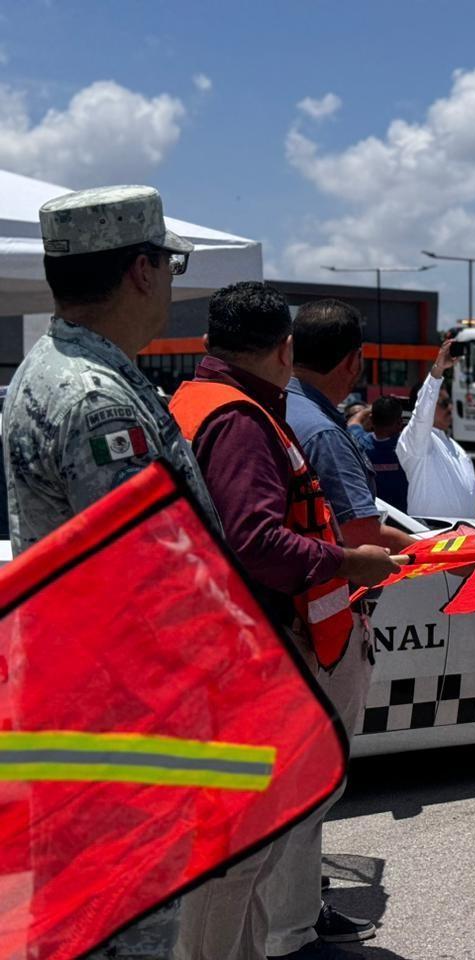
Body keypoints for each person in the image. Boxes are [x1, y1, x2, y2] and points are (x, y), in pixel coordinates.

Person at [3, 184, 211, 960]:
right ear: (141, 272)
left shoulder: (57, 367)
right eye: (171, 264)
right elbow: (147, 584)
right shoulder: (99, 403)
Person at [169, 281, 401, 960]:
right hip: (248, 651)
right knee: (238, 857)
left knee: (235, 855)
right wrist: (348, 563)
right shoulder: (240, 419)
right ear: (283, 348)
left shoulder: (197, 401)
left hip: (218, 644)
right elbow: (255, 541)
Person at [273, 298, 419, 954]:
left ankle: (286, 913)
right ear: (354, 361)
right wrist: (425, 549)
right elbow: (361, 535)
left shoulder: (265, 408)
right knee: (313, 781)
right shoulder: (326, 432)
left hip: (272, 624)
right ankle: (296, 929)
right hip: (322, 629)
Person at [398, 339, 475, 518]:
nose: (450, 408)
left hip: (460, 539)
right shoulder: (416, 442)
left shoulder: (455, 448)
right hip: (430, 535)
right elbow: (422, 413)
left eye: (450, 402)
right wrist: (438, 369)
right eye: (443, 403)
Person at [357, 395, 410, 513]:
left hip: (372, 516)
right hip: (406, 520)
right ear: (400, 422)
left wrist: (367, 410)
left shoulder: (359, 443)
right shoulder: (407, 447)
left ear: (371, 419)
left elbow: (354, 422)